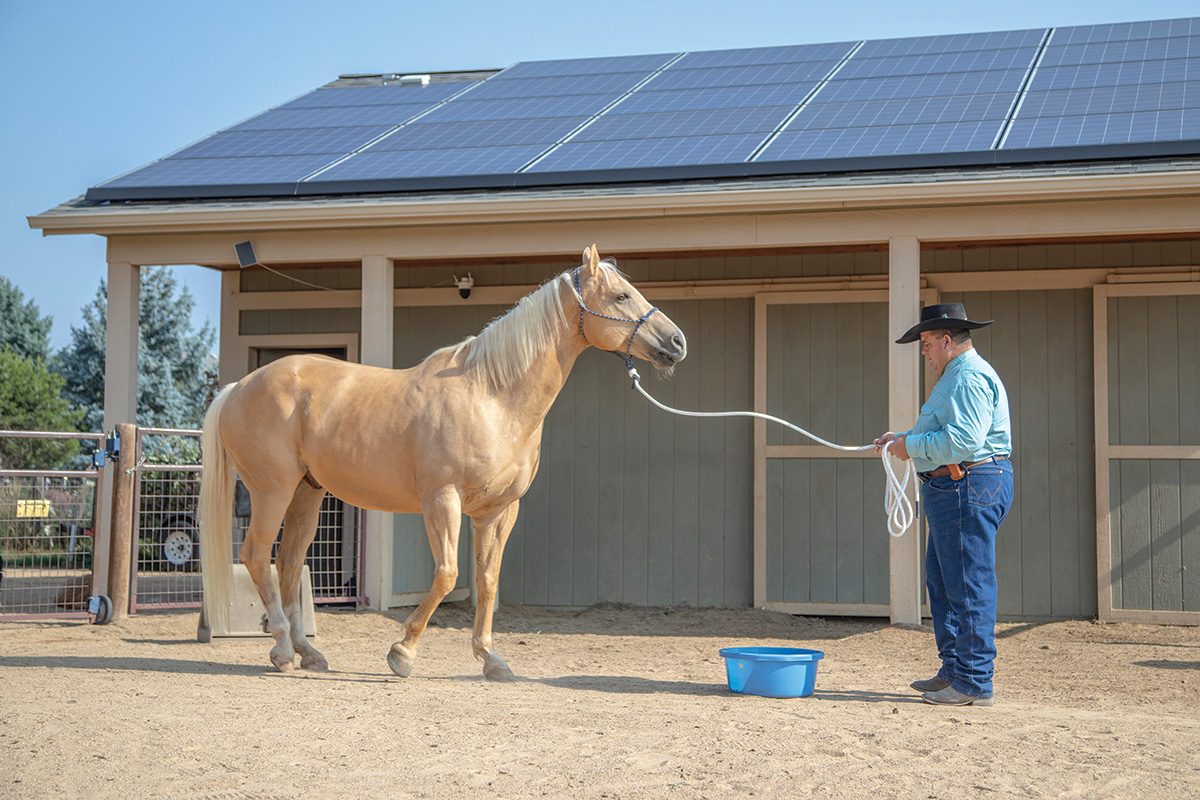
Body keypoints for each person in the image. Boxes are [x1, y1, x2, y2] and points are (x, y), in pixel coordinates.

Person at [874, 302, 1013, 707]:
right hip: (958, 486)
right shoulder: (959, 376)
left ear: (947, 341)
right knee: (946, 579)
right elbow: (951, 433)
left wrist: (909, 445)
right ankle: (956, 669)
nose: (924, 351)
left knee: (967, 583)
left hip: (966, 484)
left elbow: (965, 442)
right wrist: (900, 439)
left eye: (927, 343)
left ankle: (972, 681)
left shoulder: (966, 378)